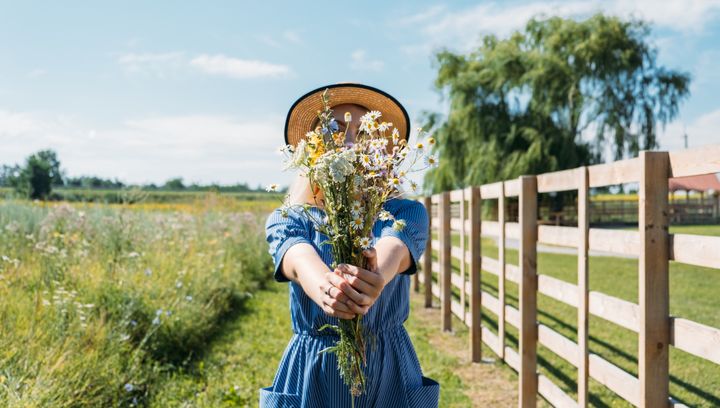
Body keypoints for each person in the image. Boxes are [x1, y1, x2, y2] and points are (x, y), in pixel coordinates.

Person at [261, 83, 439, 408]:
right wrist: (327, 289)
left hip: (388, 370)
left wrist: (374, 279)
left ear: (384, 151)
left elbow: (394, 248)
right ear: (314, 150)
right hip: (315, 369)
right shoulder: (292, 217)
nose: (352, 141)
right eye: (337, 130)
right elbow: (298, 257)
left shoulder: (405, 212)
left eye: (365, 132)